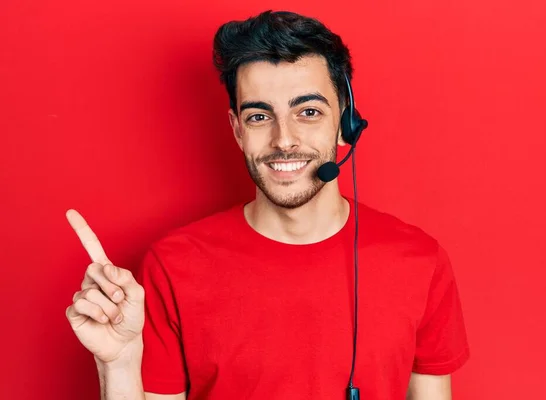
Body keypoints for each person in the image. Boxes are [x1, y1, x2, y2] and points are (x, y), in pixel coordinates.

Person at [65, 10, 470, 400]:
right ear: (237, 130)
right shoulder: (172, 266)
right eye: (260, 117)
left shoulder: (421, 261)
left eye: (308, 112)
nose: (284, 140)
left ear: (346, 125)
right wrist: (117, 365)